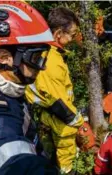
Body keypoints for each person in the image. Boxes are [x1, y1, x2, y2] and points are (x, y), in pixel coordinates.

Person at [0, 1, 58, 174]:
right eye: (36, 57)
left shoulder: (5, 85)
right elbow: (14, 163)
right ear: (4, 58)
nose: (42, 66)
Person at [25, 7, 91, 174]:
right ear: (58, 34)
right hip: (60, 123)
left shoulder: (49, 53)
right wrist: (80, 122)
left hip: (49, 118)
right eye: (72, 34)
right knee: (65, 166)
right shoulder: (52, 62)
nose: (74, 38)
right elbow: (59, 104)